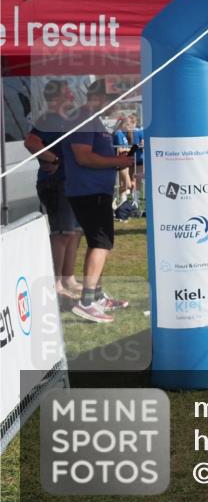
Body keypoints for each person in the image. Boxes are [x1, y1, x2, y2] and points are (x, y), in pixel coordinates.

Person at [62, 80, 133, 323]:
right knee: (100, 243)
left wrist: (116, 159)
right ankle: (87, 302)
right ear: (101, 97)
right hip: (87, 191)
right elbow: (83, 157)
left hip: (96, 190)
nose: (116, 106)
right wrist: (117, 163)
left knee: (101, 242)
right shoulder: (82, 119)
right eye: (114, 99)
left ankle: (98, 296)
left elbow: (94, 154)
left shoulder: (93, 119)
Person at [23, 79, 84, 304]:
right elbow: (30, 142)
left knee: (75, 232)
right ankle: (56, 283)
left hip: (72, 183)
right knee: (62, 233)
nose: (71, 96)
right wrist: (53, 158)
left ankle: (68, 278)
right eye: (67, 93)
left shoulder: (66, 119)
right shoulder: (48, 118)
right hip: (56, 184)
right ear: (56, 97)